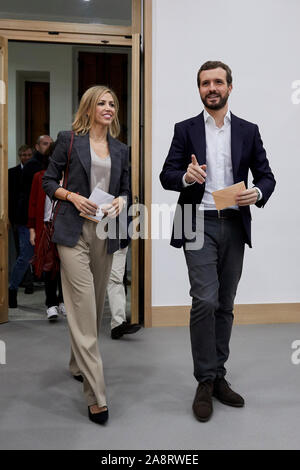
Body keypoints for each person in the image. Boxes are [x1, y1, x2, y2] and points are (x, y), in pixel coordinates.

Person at [160, 61, 276, 422]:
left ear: (229, 87)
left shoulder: (248, 130)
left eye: (218, 82)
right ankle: (205, 381)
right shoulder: (185, 129)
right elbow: (167, 175)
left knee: (225, 302)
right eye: (205, 83)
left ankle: (219, 374)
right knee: (204, 300)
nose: (212, 87)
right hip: (197, 220)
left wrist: (256, 192)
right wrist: (186, 176)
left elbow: (268, 176)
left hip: (234, 223)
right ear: (199, 89)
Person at [43, 86, 130, 425]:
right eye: (101, 103)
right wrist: (72, 197)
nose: (108, 108)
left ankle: (77, 363)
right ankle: (97, 395)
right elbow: (49, 181)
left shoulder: (121, 149)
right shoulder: (69, 139)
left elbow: (125, 187)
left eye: (112, 103)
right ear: (89, 107)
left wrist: (123, 200)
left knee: (93, 308)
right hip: (72, 233)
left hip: (105, 232)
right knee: (82, 306)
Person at [8, 135, 53, 308]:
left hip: (45, 218)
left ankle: (54, 300)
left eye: (50, 144)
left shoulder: (47, 164)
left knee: (50, 258)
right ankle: (12, 290)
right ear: (37, 146)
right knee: (26, 256)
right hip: (28, 219)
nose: (47, 146)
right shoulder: (33, 166)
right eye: (44, 144)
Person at [28, 142, 66, 322]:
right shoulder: (39, 177)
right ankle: (50, 304)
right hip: (45, 226)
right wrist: (32, 230)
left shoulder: (70, 178)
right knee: (48, 266)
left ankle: (64, 301)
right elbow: (33, 203)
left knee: (66, 266)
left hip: (66, 226)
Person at [8, 145, 34, 296]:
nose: (26, 157)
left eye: (29, 154)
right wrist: (11, 219)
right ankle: (25, 282)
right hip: (19, 217)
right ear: (19, 156)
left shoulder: (38, 172)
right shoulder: (12, 173)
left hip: (33, 216)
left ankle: (29, 283)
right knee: (23, 253)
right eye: (23, 155)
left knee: (27, 253)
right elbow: (10, 198)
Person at [107, 247, 141, 339]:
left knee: (116, 280)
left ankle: (117, 324)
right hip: (92, 239)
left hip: (118, 240)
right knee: (88, 281)